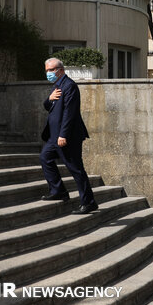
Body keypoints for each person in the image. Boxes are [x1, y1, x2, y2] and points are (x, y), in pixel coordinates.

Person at [39, 58, 98, 214]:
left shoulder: (69, 86)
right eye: (47, 70)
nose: (48, 73)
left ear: (60, 70)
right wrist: (49, 99)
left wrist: (63, 135)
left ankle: (89, 202)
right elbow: (48, 106)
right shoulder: (57, 86)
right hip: (53, 136)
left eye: (51, 70)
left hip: (67, 136)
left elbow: (69, 113)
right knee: (45, 158)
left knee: (76, 169)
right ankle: (58, 191)